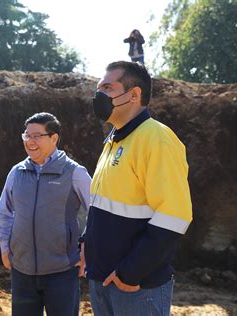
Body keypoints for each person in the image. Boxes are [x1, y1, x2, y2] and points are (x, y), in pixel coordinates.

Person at [84, 61, 192, 316]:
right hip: (103, 280)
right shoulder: (113, 139)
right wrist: (85, 241)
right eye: (99, 88)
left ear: (134, 94)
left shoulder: (157, 139)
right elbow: (102, 202)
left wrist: (130, 273)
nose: (99, 95)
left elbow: (175, 215)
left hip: (136, 288)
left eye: (108, 88)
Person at [0, 112, 91, 316]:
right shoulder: (17, 172)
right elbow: (4, 212)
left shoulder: (75, 173)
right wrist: (5, 246)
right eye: (27, 136)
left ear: (54, 138)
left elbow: (97, 212)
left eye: (37, 136)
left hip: (62, 272)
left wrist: (87, 247)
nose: (30, 141)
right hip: (22, 272)